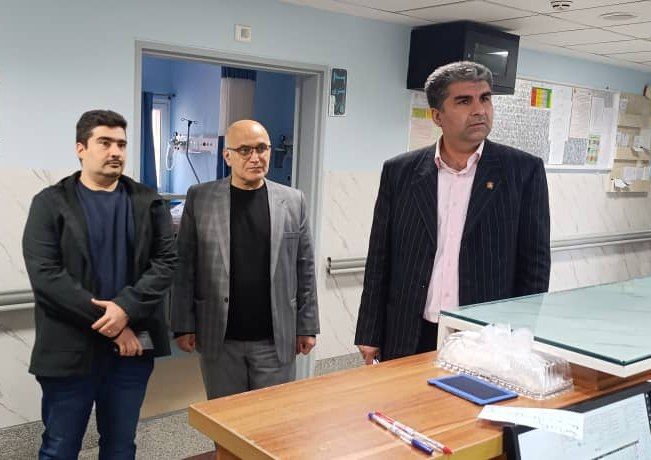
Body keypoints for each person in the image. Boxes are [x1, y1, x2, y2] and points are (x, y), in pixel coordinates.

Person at [355, 61, 551, 363]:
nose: (479, 110)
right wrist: (369, 331)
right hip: (410, 330)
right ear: (437, 116)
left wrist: (521, 337)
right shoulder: (401, 172)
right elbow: (380, 256)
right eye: (464, 101)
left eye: (485, 98)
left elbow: (534, 266)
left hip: (485, 336)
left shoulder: (523, 171)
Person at [22, 109, 178, 459]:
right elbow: (46, 275)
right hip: (69, 350)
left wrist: (126, 309)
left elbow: (166, 263)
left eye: (121, 144)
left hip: (131, 352)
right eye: (105, 143)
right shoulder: (50, 203)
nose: (115, 152)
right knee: (60, 448)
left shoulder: (148, 202)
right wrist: (114, 324)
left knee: (120, 446)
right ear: (81, 148)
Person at [171, 119, 319, 399]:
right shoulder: (201, 198)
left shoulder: (293, 200)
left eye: (262, 148)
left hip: (275, 338)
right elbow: (185, 265)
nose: (255, 157)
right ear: (227, 156)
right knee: (226, 417)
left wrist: (307, 326)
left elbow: (305, 267)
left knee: (273, 417)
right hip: (220, 337)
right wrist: (183, 324)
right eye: (244, 150)